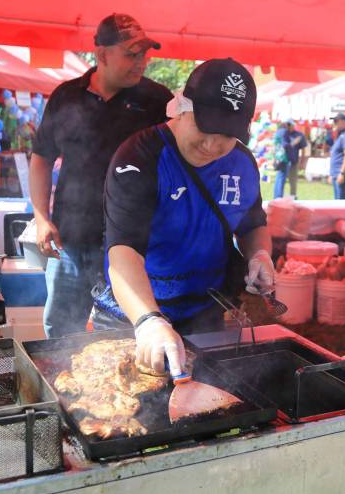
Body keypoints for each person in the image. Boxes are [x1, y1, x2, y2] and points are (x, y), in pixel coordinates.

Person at [96, 59, 273, 374]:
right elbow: (124, 250)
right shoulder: (139, 157)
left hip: (204, 315)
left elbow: (252, 223)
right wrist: (149, 320)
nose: (212, 145)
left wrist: (260, 254)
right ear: (182, 107)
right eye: (205, 126)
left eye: (227, 134)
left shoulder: (242, 164)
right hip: (131, 315)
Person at [30, 14, 172, 337]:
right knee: (61, 334)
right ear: (102, 55)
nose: (141, 63)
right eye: (132, 55)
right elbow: (41, 159)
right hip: (71, 241)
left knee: (126, 336)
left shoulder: (158, 101)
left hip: (133, 247)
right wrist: (41, 217)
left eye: (144, 55)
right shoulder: (66, 97)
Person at [272, 120, 306, 199]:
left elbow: (277, 146)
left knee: (288, 179)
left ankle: (289, 197)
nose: (289, 126)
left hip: (291, 160)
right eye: (288, 125)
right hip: (284, 159)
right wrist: (294, 142)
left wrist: (302, 161)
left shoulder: (280, 132)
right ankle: (278, 197)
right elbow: (285, 145)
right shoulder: (284, 132)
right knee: (281, 178)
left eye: (290, 125)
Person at [328, 113, 345, 199]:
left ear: (343, 122)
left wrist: (342, 173)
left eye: (336, 121)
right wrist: (332, 174)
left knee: (341, 202)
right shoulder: (340, 137)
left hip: (342, 175)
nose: (334, 123)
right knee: (337, 202)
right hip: (336, 174)